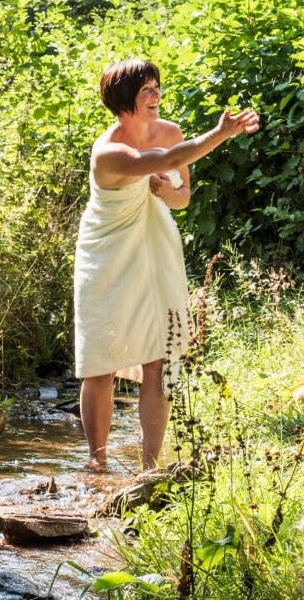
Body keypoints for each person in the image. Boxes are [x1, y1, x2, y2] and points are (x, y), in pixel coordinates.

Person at [73, 59, 259, 471]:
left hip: (156, 248)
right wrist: (221, 132)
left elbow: (183, 197)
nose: (156, 95)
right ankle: (96, 462)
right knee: (101, 359)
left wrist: (165, 193)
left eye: (157, 87)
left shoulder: (170, 130)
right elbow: (169, 156)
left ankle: (150, 468)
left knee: (161, 352)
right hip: (106, 253)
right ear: (125, 100)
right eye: (146, 90)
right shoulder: (110, 152)